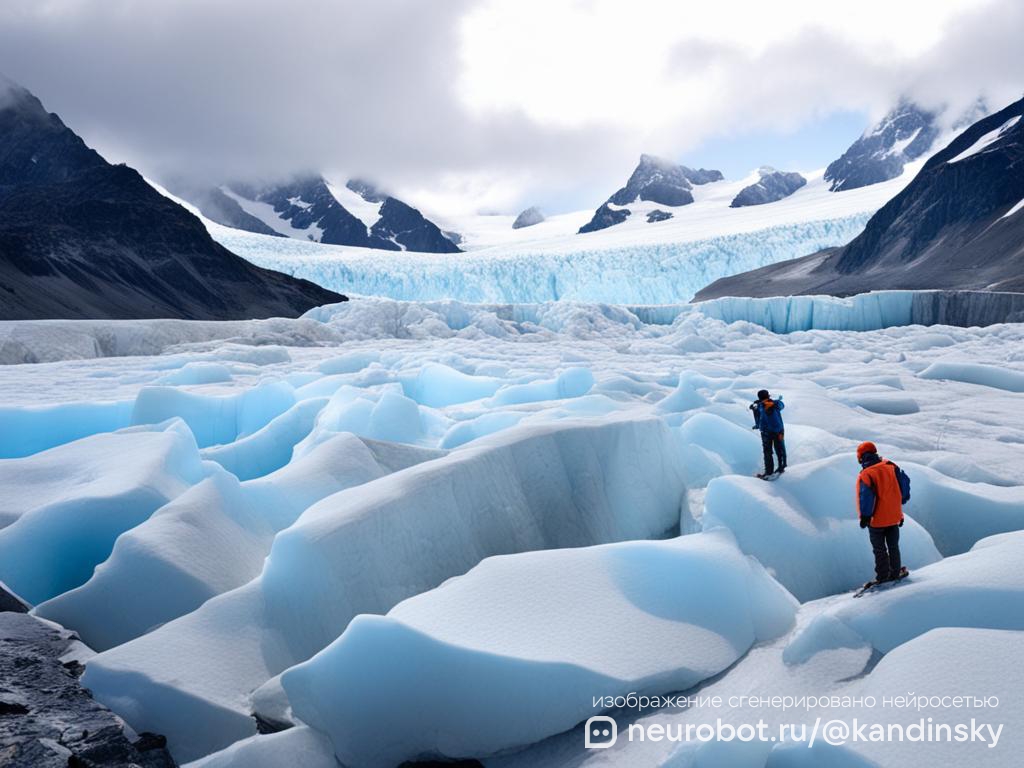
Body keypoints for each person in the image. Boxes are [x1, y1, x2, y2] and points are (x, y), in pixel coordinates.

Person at [856, 441, 911, 584]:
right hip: (894, 517)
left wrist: (865, 517)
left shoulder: (866, 474)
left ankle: (882, 576)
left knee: (879, 549)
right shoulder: (891, 466)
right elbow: (904, 488)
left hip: (877, 520)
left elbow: (866, 497)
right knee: (894, 546)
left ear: (861, 457)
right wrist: (899, 505)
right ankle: (895, 572)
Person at [750, 389, 786, 477]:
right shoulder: (766, 405)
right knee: (777, 449)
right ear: (768, 395)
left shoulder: (765, 405)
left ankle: (773, 470)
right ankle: (777, 469)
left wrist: (771, 403)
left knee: (770, 451)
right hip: (774, 431)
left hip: (769, 432)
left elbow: (781, 405)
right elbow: (782, 405)